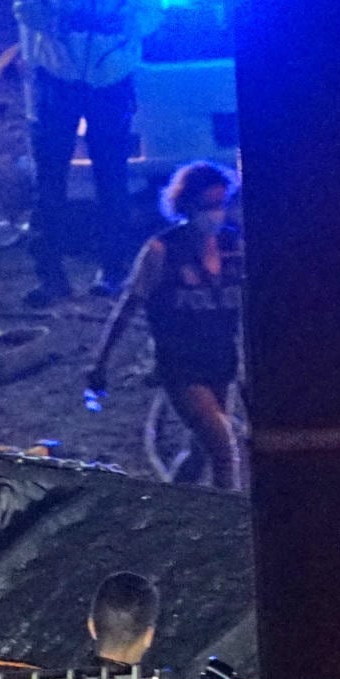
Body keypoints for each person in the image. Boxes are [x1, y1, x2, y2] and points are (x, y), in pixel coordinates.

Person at [14, 0, 158, 299]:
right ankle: (49, 276)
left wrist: (122, 23)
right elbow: (24, 5)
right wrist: (60, 21)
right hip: (57, 78)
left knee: (112, 178)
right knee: (50, 178)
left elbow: (152, 10)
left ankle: (113, 272)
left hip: (111, 80)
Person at [86, 162, 244, 492]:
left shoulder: (234, 247)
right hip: (182, 369)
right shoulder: (161, 252)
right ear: (185, 206)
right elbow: (127, 308)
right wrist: (100, 364)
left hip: (221, 365)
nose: (215, 214)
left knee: (200, 453)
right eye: (206, 206)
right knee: (223, 447)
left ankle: (170, 502)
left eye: (220, 204)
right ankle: (232, 528)